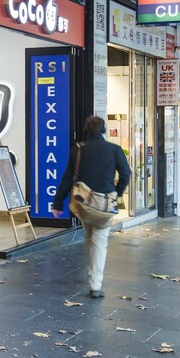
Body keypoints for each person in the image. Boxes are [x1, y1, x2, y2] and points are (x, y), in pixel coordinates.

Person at [52, 116, 131, 298]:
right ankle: (95, 285)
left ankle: (91, 272)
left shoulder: (78, 150)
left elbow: (67, 178)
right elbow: (126, 174)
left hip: (83, 204)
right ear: (103, 130)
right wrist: (116, 193)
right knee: (100, 241)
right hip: (104, 205)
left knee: (89, 236)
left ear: (87, 130)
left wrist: (58, 203)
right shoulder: (114, 150)